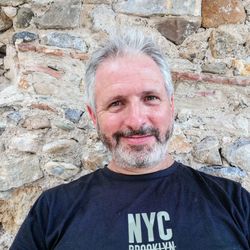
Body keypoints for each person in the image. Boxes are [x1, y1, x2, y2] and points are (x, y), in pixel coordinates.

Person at [11, 31, 250, 250]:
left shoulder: (234, 202)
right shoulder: (52, 210)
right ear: (94, 115)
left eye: (150, 97)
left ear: (171, 105)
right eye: (116, 103)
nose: (136, 121)